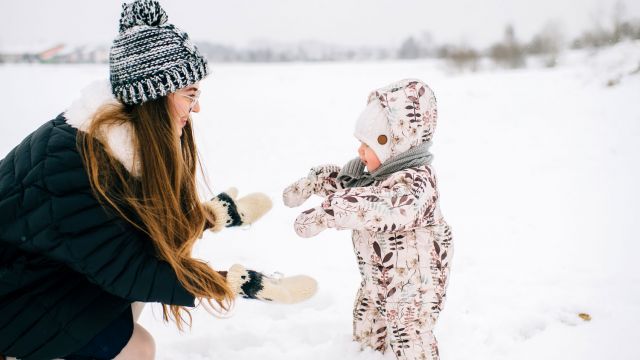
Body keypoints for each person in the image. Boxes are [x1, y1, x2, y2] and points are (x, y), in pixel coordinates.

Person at [0, 1, 316, 359]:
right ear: (154, 96)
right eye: (190, 95)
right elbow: (128, 268)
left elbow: (134, 233)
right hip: (13, 299)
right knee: (139, 348)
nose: (196, 108)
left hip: (43, 276)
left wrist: (210, 217)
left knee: (131, 304)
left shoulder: (114, 142)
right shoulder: (73, 167)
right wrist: (238, 284)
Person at [283, 79, 453, 360]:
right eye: (360, 142)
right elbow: (354, 190)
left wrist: (329, 212)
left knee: (408, 336)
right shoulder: (374, 177)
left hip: (415, 288)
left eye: (370, 144)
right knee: (367, 324)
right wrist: (316, 183)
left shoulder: (416, 184)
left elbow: (379, 206)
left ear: (395, 144)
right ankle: (363, 353)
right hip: (377, 280)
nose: (360, 151)